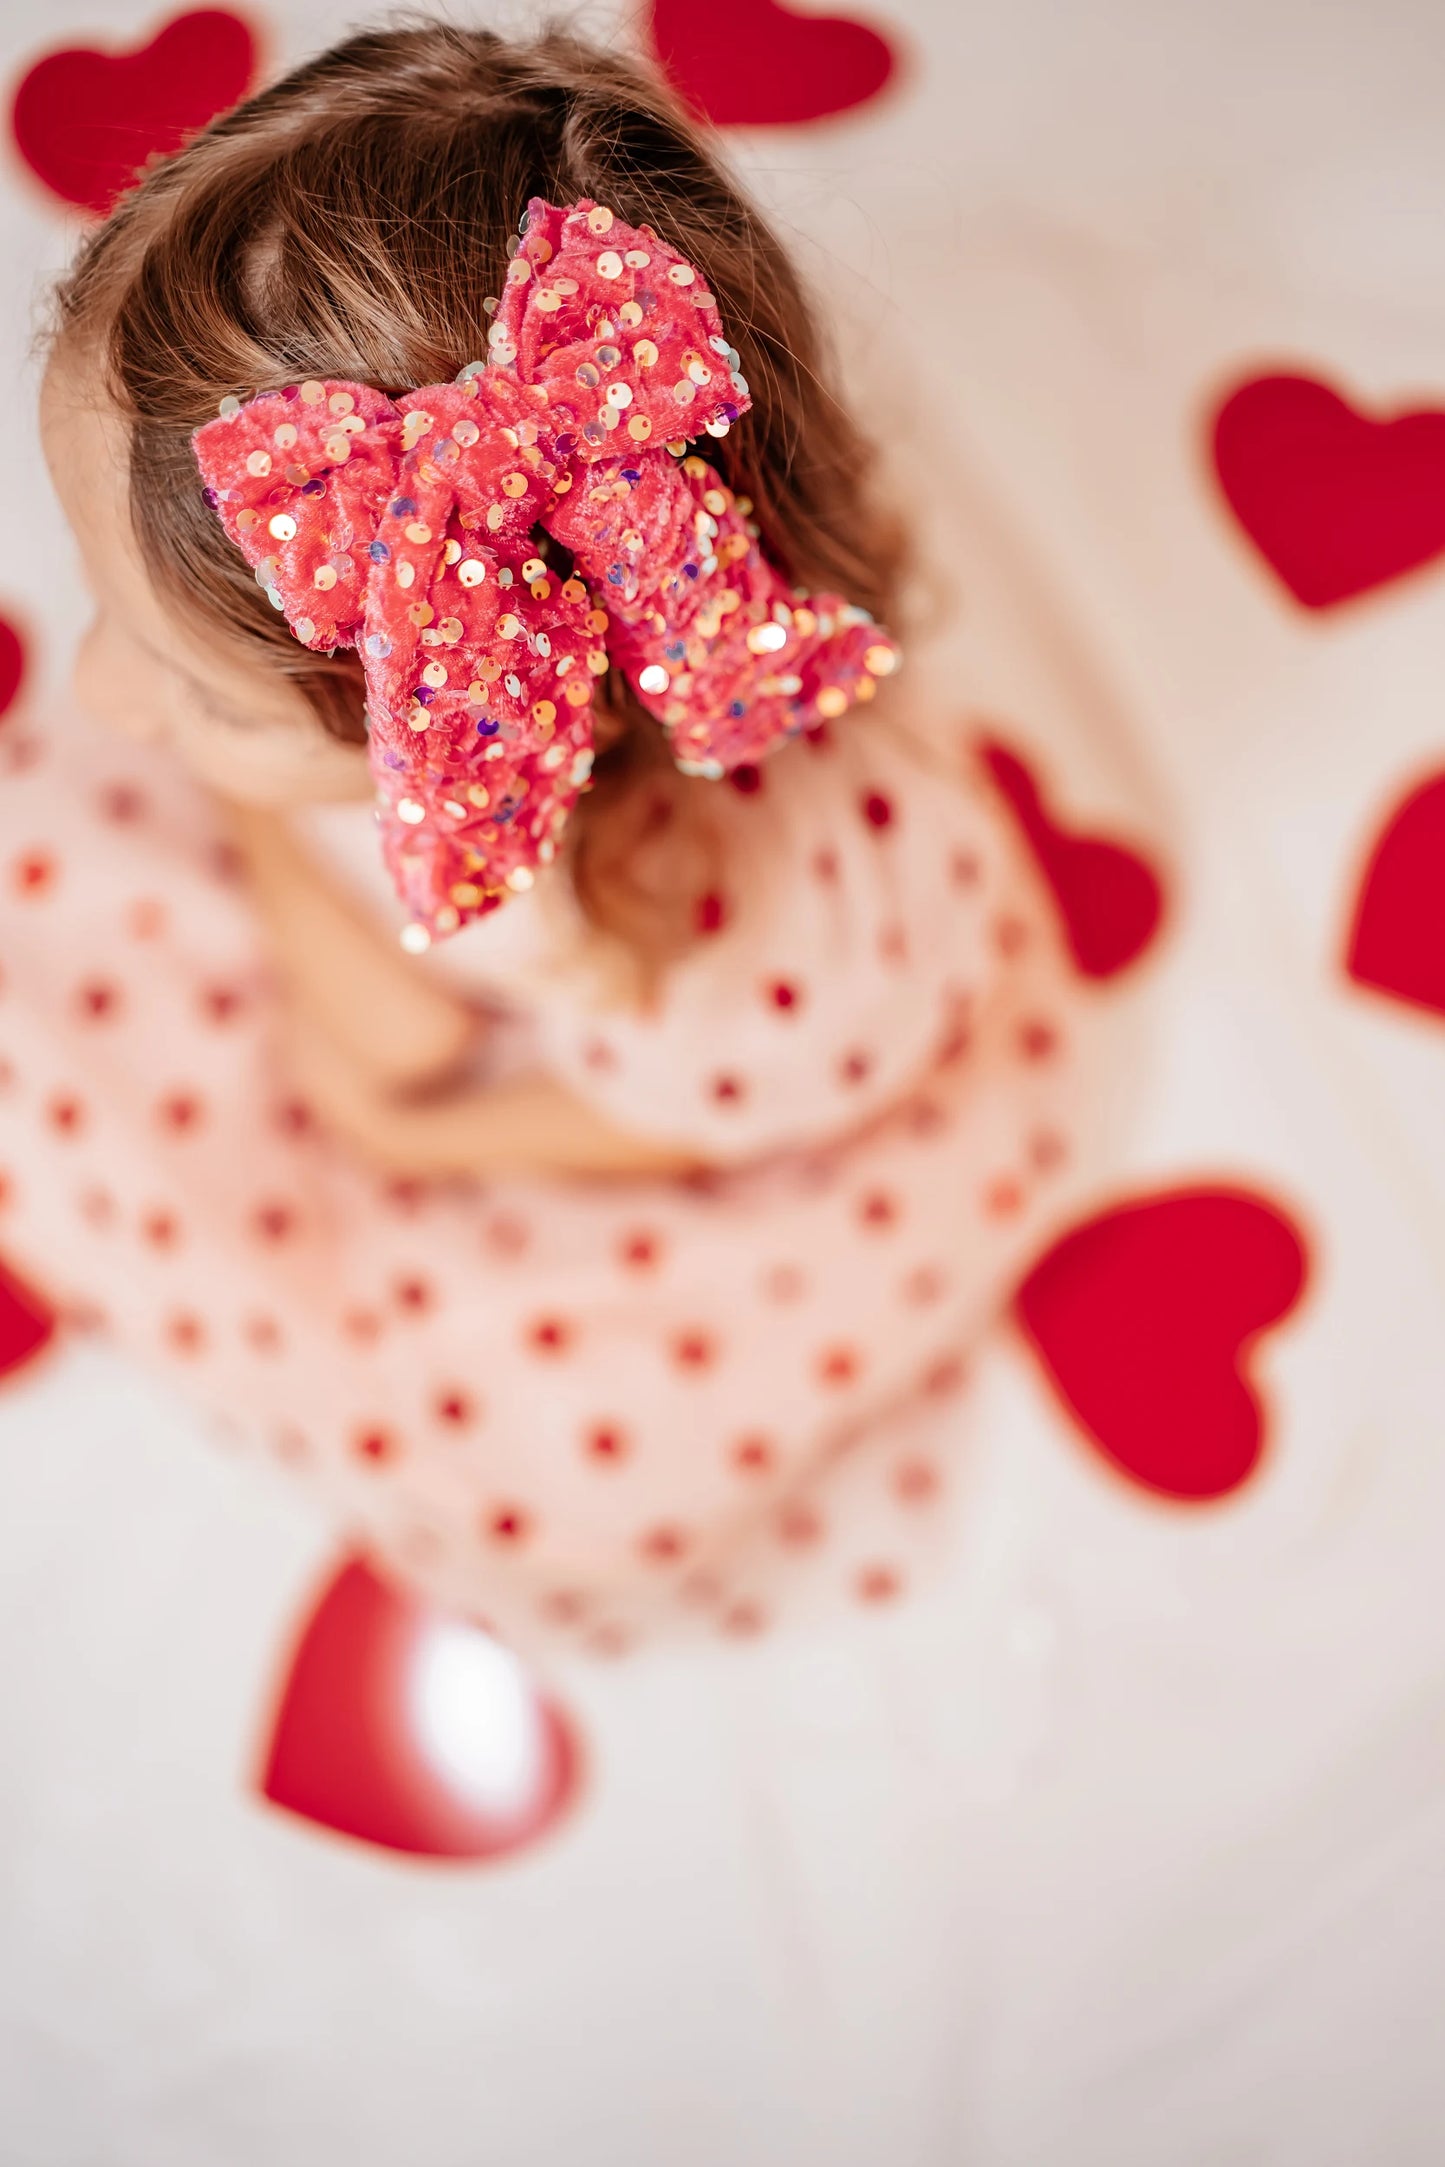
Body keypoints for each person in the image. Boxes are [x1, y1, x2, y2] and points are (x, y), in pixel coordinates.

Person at [2, 23, 1095, 1658]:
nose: (102, 695)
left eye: (183, 685)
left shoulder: (754, 960)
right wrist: (264, 794)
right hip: (505, 900)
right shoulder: (466, 645)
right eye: (114, 612)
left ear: (470, 730)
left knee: (571, 1468)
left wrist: (429, 1135)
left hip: (725, 1086)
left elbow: (603, 1113)